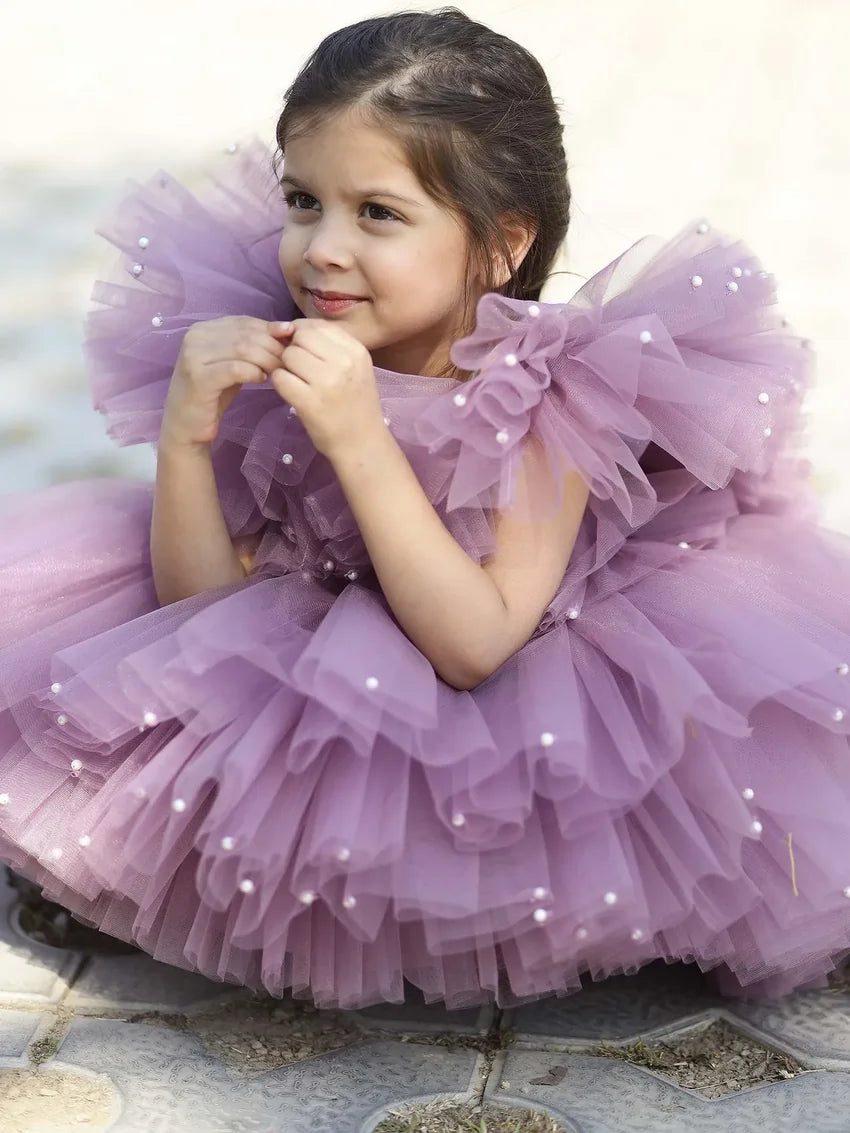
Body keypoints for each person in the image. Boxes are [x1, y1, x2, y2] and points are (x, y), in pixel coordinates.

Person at [1, 6, 849, 1011]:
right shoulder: (284, 342)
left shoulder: (549, 392)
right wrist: (188, 437)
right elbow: (202, 624)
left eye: (378, 214)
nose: (321, 248)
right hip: (339, 660)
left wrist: (360, 439)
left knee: (619, 802)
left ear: (498, 248)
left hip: (534, 688)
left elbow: (477, 646)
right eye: (304, 201)